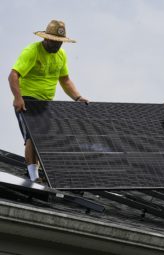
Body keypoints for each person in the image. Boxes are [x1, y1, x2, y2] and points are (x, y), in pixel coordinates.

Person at [8, 20, 89, 182]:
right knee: (32, 135)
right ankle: (33, 176)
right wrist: (18, 98)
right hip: (27, 100)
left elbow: (65, 80)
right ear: (46, 38)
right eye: (54, 41)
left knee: (44, 137)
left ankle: (38, 171)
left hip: (46, 103)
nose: (57, 45)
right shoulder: (32, 51)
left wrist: (78, 97)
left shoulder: (61, 55)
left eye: (60, 42)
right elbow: (13, 75)